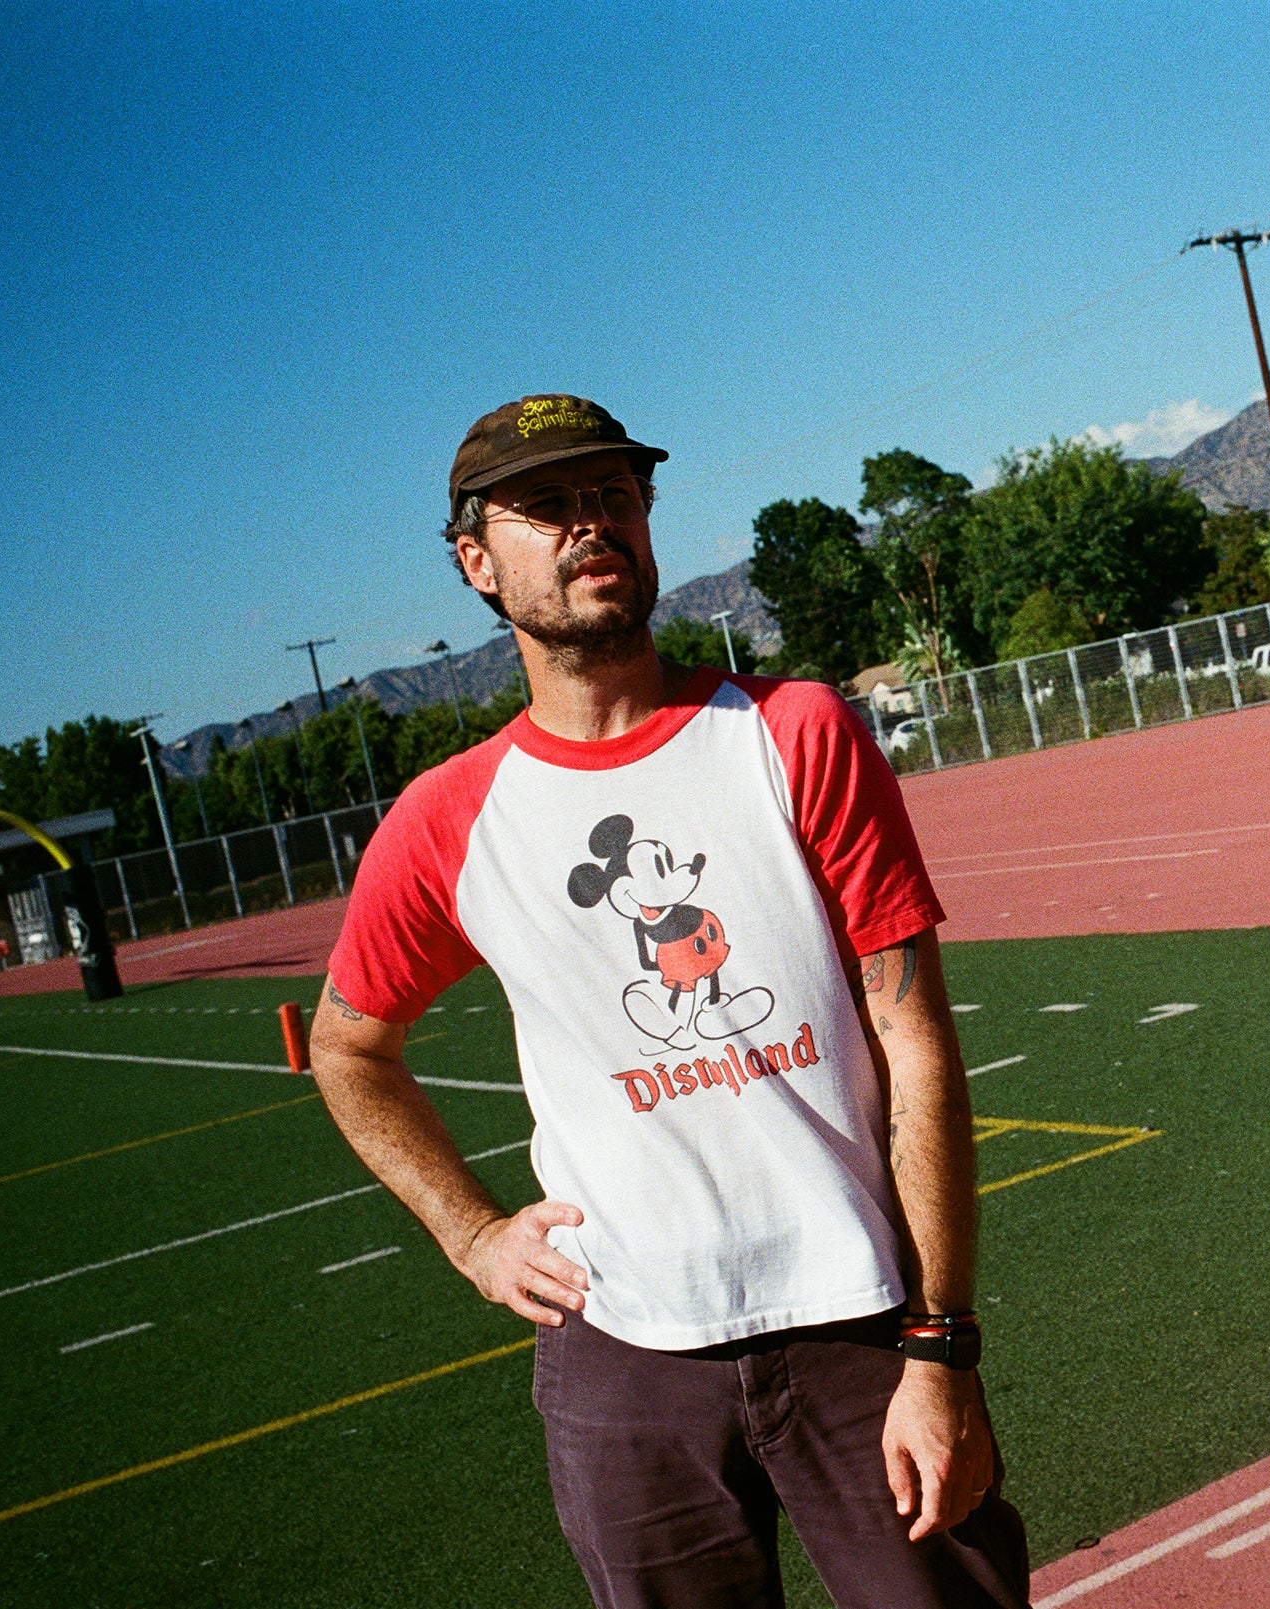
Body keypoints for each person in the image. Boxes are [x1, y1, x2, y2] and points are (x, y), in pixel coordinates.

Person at [308, 394, 1029, 1609]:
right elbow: (347, 1047)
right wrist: (472, 1236)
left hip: (860, 1321)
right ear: (476, 562)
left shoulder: (791, 731)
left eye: (614, 495)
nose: (591, 522)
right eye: (547, 506)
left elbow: (914, 1040)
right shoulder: (447, 819)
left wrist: (939, 1342)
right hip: (621, 1355)